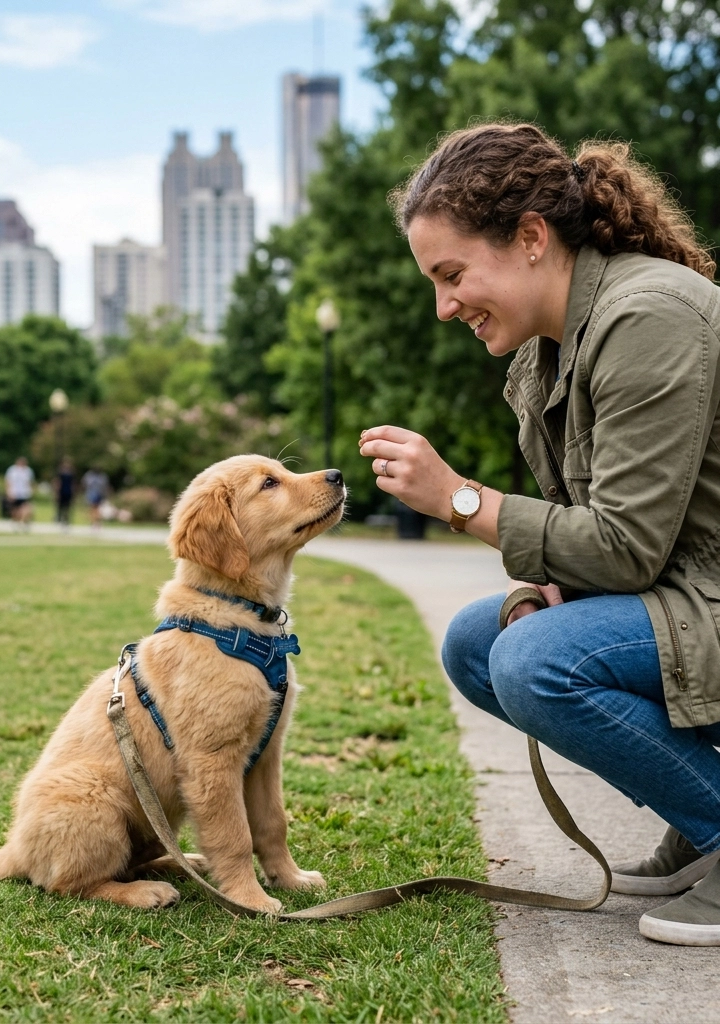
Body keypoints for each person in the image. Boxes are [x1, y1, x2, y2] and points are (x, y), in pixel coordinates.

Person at [359, 123, 720, 946]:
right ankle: (701, 820)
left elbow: (626, 546)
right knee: (477, 642)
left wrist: (458, 501)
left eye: (452, 275)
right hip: (695, 595)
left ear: (530, 238)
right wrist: (549, 587)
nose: (444, 306)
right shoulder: (545, 354)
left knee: (535, 661)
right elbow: (620, 540)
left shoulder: (648, 316)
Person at [4, 456, 35, 529]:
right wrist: (8, 492)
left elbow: (30, 482)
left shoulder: (28, 471)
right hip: (15, 493)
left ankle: (23, 522)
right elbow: (8, 482)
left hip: (25, 493)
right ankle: (16, 522)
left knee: (27, 509)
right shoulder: (12, 470)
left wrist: (31, 490)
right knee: (15, 510)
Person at [54, 457, 74, 528]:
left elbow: (73, 484)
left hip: (68, 492)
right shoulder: (60, 473)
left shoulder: (71, 474)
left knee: (67, 507)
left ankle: (66, 519)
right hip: (62, 492)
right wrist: (57, 492)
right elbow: (57, 482)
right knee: (60, 506)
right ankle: (59, 518)